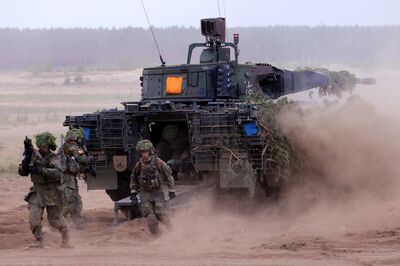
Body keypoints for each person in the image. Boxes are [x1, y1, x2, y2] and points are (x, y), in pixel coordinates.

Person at [18, 132, 72, 248]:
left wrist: (42, 170)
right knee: (34, 218)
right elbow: (22, 172)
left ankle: (66, 238)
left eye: (45, 146)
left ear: (49, 146)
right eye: (40, 146)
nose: (42, 148)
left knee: (55, 220)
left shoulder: (54, 158)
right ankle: (38, 241)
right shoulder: (34, 156)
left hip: (53, 192)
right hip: (37, 191)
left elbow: (57, 173)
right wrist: (26, 159)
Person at [130, 139, 176, 235]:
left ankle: (173, 231)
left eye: (146, 152)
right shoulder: (139, 165)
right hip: (145, 193)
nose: (144, 154)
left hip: (157, 192)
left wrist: (171, 190)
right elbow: (133, 178)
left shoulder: (158, 163)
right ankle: (157, 236)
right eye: (142, 152)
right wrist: (133, 193)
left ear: (150, 151)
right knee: (150, 218)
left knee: (161, 214)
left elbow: (169, 176)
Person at [62, 127, 91, 229]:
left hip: (70, 177)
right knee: (69, 201)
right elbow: (82, 159)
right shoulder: (72, 147)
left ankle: (79, 224)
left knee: (76, 200)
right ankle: (57, 220)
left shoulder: (66, 146)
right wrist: (90, 157)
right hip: (66, 177)